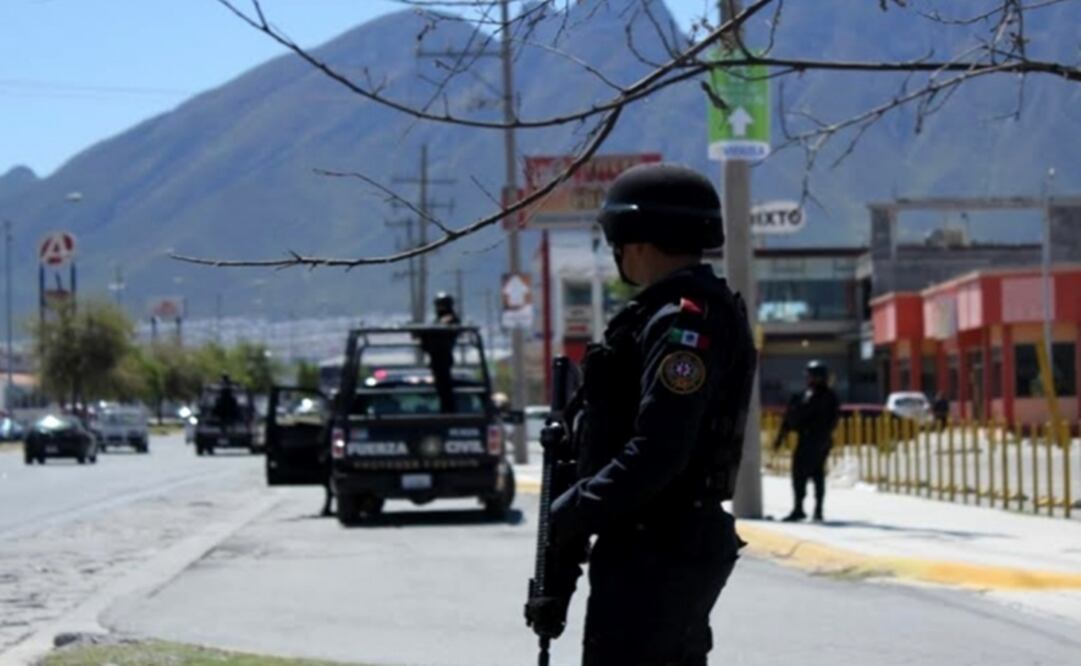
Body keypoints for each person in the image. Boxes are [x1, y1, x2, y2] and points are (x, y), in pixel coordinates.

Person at [526, 163, 756, 666]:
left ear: (637, 240)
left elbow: (659, 451)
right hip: (651, 543)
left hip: (660, 547)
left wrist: (575, 509)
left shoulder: (683, 324)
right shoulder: (662, 317)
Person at [772, 361, 840, 522]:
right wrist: (781, 437)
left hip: (816, 440)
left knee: (811, 475)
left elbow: (828, 420)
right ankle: (802, 509)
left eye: (811, 375)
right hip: (808, 439)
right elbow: (790, 418)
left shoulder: (826, 397)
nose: (808, 378)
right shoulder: (805, 395)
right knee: (806, 475)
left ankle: (812, 510)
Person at [423, 292, 461, 413]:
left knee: (445, 385)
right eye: (438, 305)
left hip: (443, 356)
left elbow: (442, 330)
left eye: (441, 305)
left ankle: (449, 410)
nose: (439, 308)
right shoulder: (440, 319)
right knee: (441, 386)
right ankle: (446, 408)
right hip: (436, 355)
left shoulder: (450, 319)